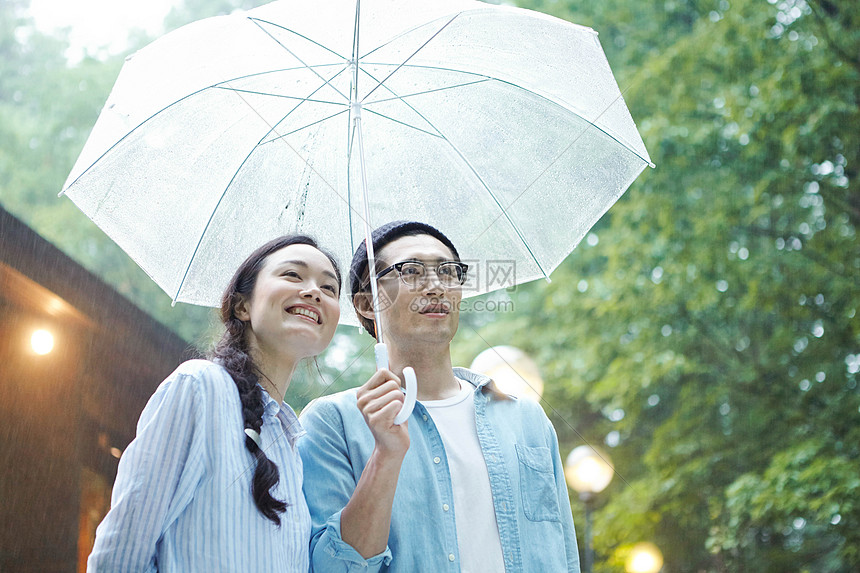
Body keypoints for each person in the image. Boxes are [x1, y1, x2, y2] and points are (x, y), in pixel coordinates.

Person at [298, 221, 579, 572]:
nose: (435, 286)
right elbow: (330, 568)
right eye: (411, 271)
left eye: (448, 272)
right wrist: (385, 456)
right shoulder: (332, 422)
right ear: (368, 304)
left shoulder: (526, 417)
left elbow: (565, 552)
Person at [87, 235, 342, 572]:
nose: (314, 291)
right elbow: (120, 555)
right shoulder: (200, 388)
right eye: (293, 275)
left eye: (330, 287)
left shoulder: (291, 439)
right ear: (242, 306)